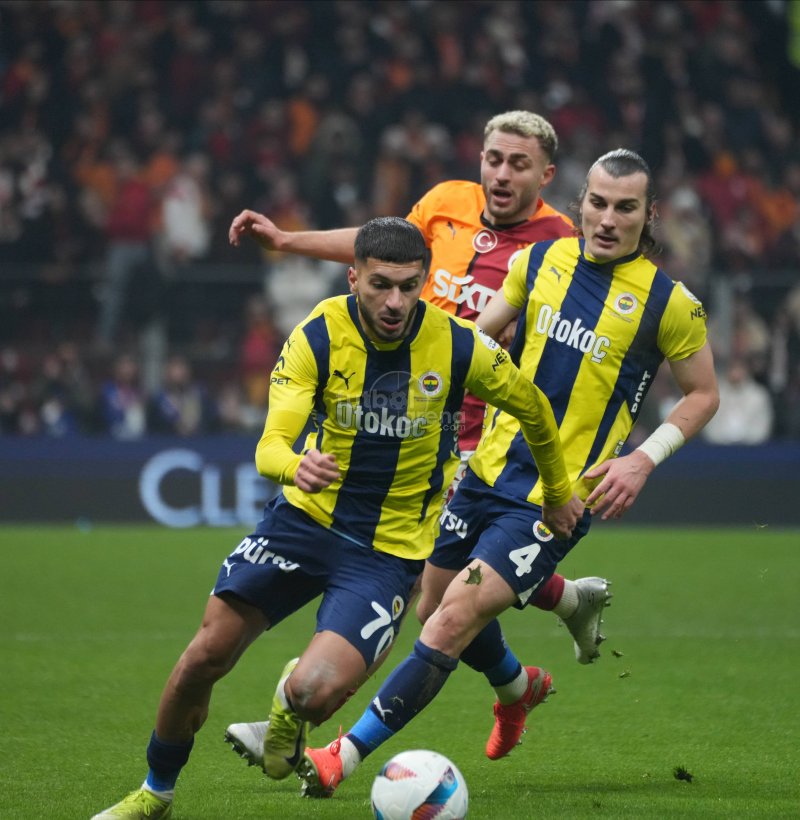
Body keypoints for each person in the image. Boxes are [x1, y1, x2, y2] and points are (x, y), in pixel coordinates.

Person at [91, 216, 581, 820]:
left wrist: (557, 491)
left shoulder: (459, 345)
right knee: (204, 657)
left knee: (313, 695)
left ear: (424, 282)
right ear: (353, 278)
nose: (395, 301)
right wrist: (294, 465)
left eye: (409, 286)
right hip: (302, 523)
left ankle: (289, 707)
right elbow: (270, 446)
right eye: (380, 285)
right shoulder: (318, 335)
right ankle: (155, 793)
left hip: (386, 553)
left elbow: (533, 407)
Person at [296, 149, 720, 798]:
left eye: (625, 207)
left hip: (555, 497)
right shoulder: (538, 263)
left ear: (648, 214)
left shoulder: (669, 303)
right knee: (431, 603)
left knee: (449, 620)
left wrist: (643, 458)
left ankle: (342, 756)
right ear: (581, 204)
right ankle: (519, 688)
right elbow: (473, 343)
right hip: (484, 469)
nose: (608, 219)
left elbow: (703, 394)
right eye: (599, 203)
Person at [228, 110, 611, 669]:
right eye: (494, 159)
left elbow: (574, 338)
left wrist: (528, 333)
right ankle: (555, 621)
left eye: (518, 164)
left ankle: (329, 682)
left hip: (479, 430)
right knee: (436, 585)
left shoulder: (561, 243)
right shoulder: (445, 201)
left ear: (546, 175)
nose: (502, 174)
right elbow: (378, 250)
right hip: (407, 414)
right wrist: (287, 240)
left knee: (427, 588)